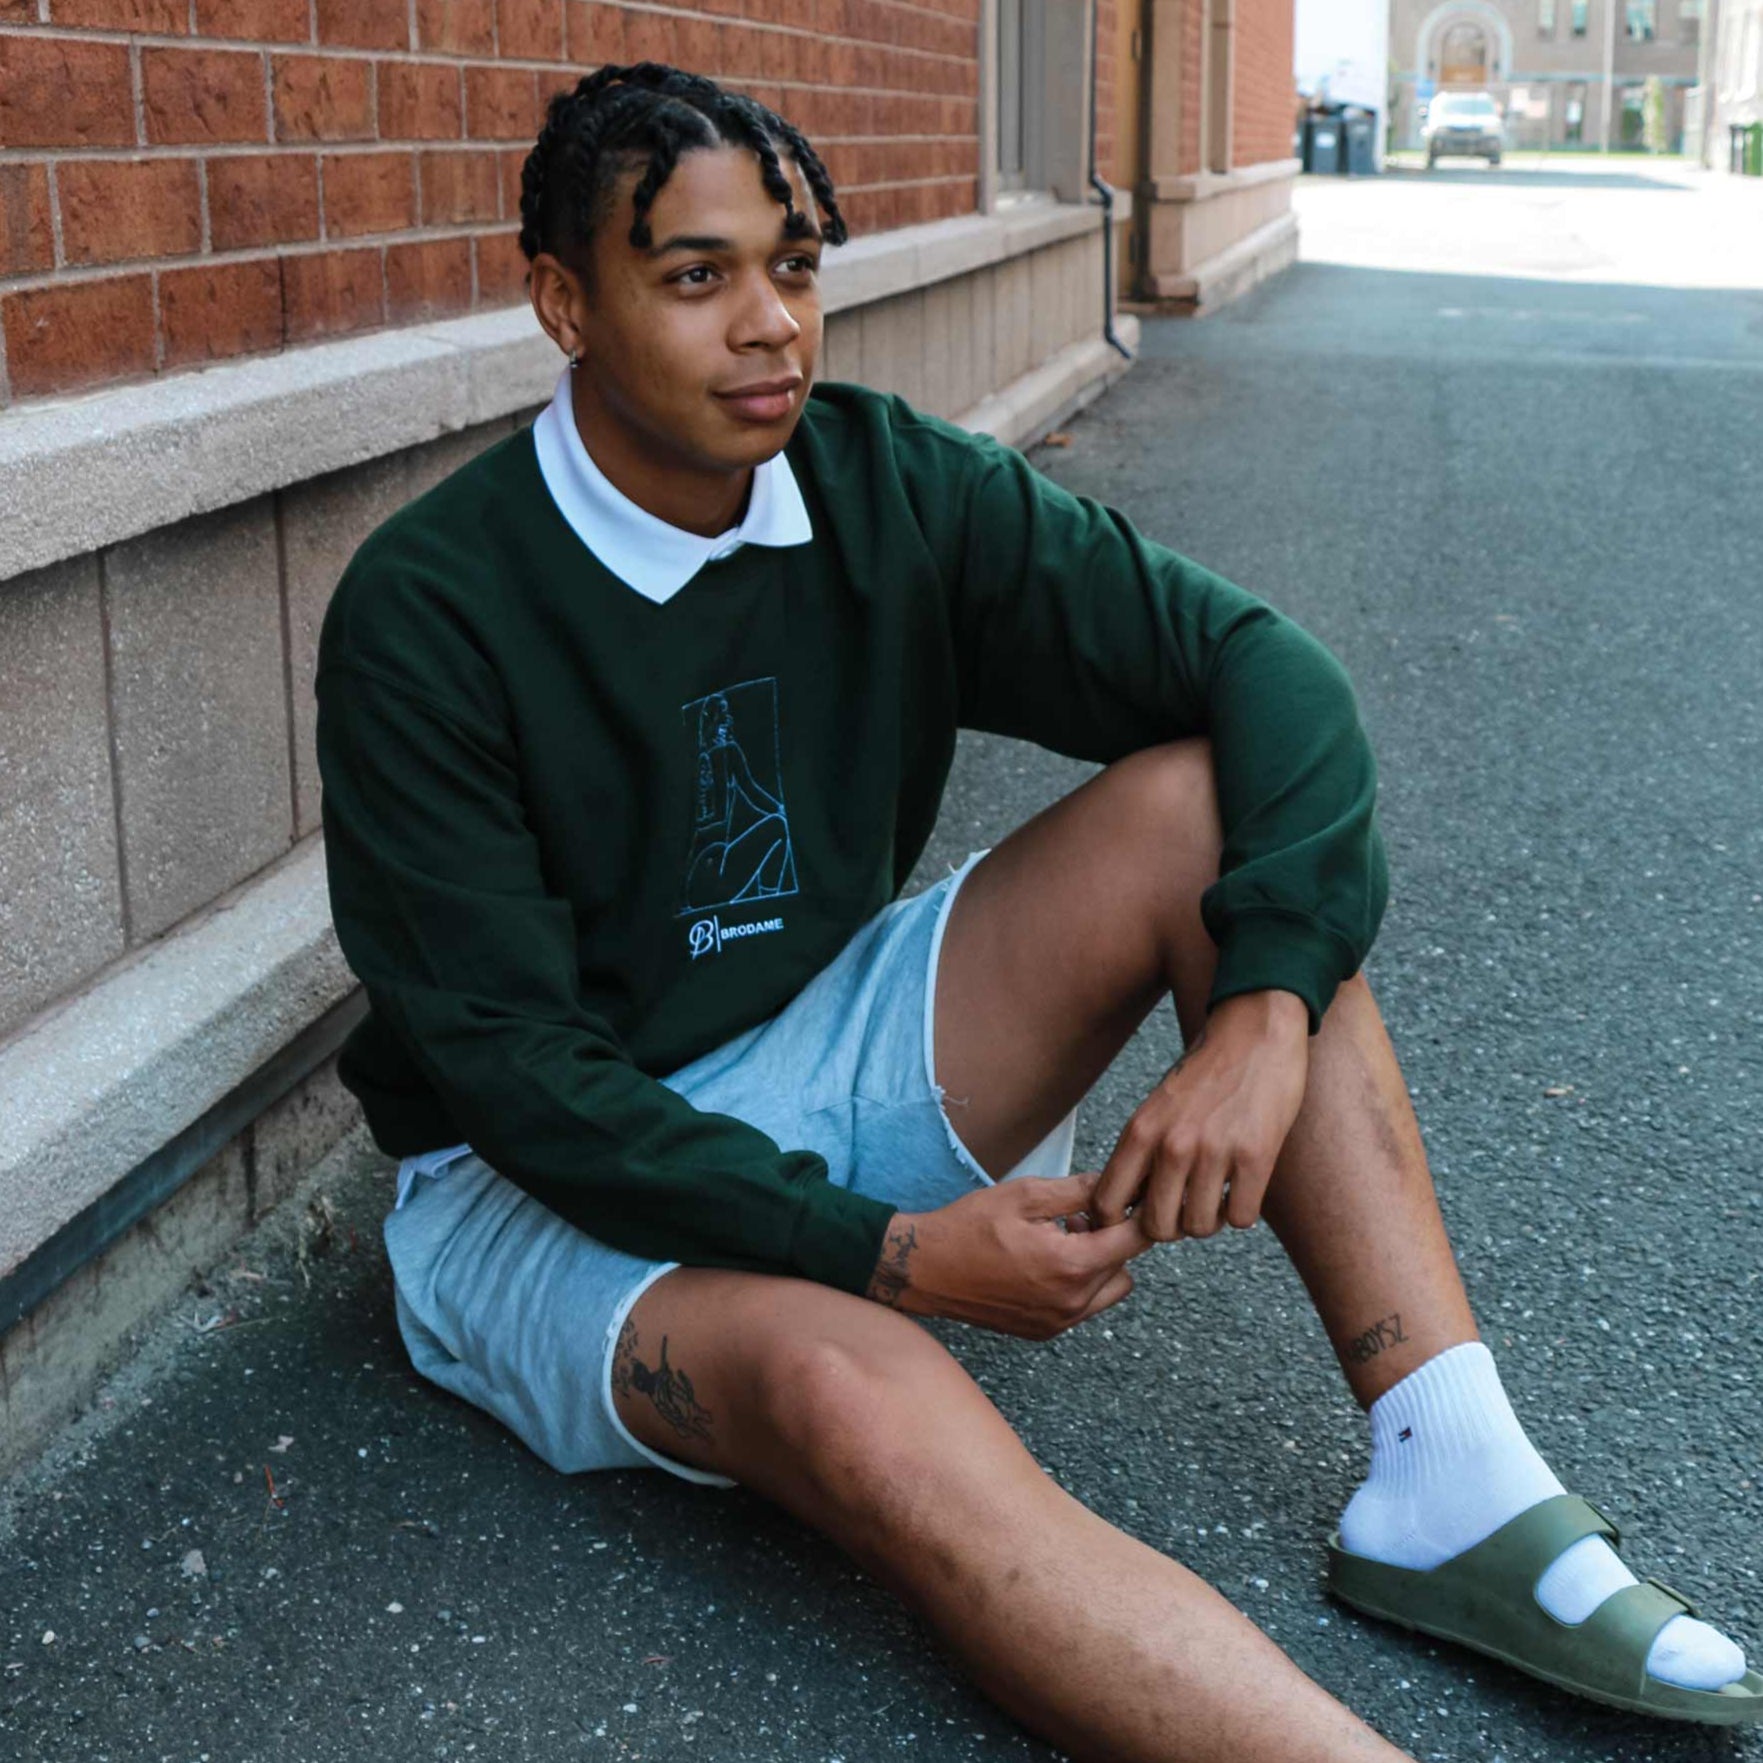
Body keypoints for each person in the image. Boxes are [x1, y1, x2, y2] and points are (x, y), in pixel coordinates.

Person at [313, 61, 1761, 1761]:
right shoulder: (431, 612)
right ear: (563, 299)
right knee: (859, 1394)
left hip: (806, 1039)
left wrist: (1262, 1015)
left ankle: (1454, 1477)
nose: (772, 324)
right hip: (536, 1191)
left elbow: (1256, 667)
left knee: (1211, 813)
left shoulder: (882, 488)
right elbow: (519, 1080)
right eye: (695, 277)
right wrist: (897, 1257)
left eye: (793, 263)